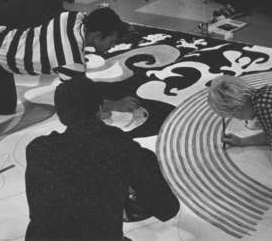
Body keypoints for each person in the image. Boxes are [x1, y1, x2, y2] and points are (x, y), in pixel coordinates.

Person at [24, 75, 180, 241]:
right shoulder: (122, 148)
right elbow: (168, 208)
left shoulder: (37, 150)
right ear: (100, 109)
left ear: (60, 114)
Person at [0, 7, 138, 139]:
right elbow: (80, 96)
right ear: (97, 35)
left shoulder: (76, 17)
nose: (112, 47)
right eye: (112, 41)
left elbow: (99, 16)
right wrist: (114, 104)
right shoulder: (70, 57)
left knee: (5, 106)